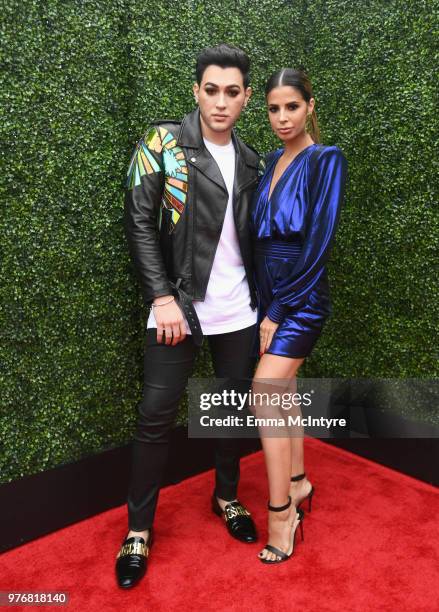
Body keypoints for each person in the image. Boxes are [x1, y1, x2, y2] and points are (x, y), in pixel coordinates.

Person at [116, 43, 263, 588]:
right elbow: (137, 222)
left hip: (238, 309)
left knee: (228, 412)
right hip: (175, 305)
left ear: (246, 97)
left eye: (232, 92)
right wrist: (161, 298)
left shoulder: (253, 161)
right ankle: (137, 531)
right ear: (196, 90)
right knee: (156, 417)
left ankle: (226, 497)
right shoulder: (163, 143)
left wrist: (267, 310)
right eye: (211, 90)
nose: (220, 102)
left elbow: (253, 244)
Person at [250, 68, 348, 563]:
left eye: (291, 106)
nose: (282, 117)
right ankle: (299, 480)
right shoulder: (270, 161)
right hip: (268, 295)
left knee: (265, 391)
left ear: (310, 105)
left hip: (302, 298)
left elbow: (318, 244)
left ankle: (281, 512)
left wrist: (277, 310)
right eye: (273, 108)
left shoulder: (326, 159)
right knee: (283, 393)